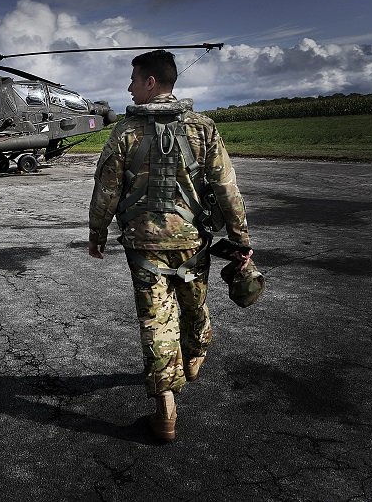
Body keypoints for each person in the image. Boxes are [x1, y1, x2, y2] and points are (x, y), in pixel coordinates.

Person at [87, 49, 253, 442]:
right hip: (193, 241)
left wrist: (97, 235)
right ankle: (193, 361)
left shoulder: (124, 133)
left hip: (144, 247)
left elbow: (106, 191)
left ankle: (165, 410)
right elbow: (227, 189)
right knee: (195, 304)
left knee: (155, 320)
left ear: (150, 82)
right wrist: (241, 238)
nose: (129, 87)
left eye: (133, 79)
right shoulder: (204, 128)